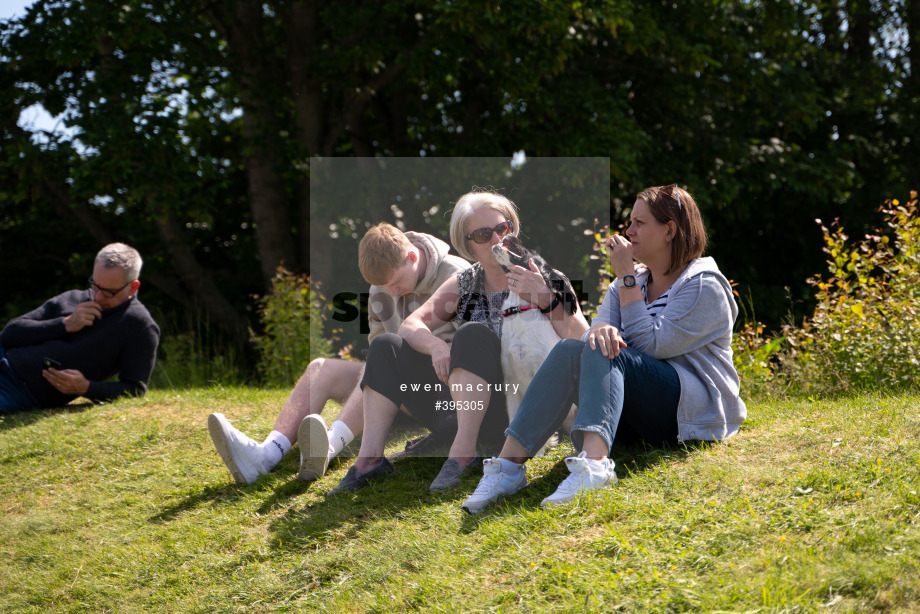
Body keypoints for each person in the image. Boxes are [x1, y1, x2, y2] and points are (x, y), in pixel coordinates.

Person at [460, 184, 747, 513]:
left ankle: (595, 466)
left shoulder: (703, 285)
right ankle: (508, 468)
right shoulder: (628, 284)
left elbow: (653, 347)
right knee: (573, 348)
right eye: (630, 222)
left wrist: (625, 279)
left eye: (640, 223)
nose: (629, 230)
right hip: (633, 416)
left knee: (606, 345)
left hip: (687, 413)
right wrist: (608, 315)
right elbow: (591, 340)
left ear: (669, 230)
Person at [328, 190, 589, 496]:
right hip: (466, 405)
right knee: (386, 345)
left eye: (503, 229)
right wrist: (436, 347)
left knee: (471, 333)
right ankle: (369, 460)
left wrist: (545, 297)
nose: (497, 240)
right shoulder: (466, 282)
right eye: (482, 234)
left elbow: (580, 337)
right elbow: (413, 324)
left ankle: (463, 454)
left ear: (513, 228)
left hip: (523, 409)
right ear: (468, 246)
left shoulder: (545, 275)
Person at [207, 223, 469, 484]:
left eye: (396, 283)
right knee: (320, 368)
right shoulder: (382, 288)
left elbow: (474, 354)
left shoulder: (457, 274)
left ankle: (328, 446)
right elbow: (381, 349)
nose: (391, 292)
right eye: (383, 286)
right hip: (398, 388)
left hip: (443, 393)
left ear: (412, 257)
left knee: (376, 363)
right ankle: (266, 454)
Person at [0, 243, 160, 414]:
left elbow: (135, 389)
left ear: (133, 287)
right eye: (95, 285)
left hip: (21, 392)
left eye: (108, 292)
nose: (97, 296)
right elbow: (9, 335)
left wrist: (86, 388)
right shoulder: (74, 297)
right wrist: (65, 324)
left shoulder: (140, 326)